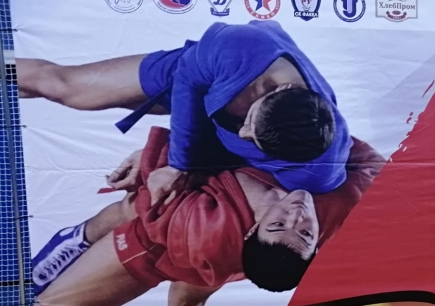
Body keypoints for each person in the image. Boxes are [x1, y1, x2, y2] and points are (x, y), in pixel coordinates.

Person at [35, 127, 384, 306]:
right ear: (316, 247)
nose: (297, 215)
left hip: (173, 242)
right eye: (304, 231)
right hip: (239, 255)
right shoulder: (344, 202)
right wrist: (315, 138)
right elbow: (370, 161)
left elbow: (152, 203)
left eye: (281, 224)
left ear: (254, 229)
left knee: (57, 304)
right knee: (188, 303)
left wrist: (155, 160)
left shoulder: (207, 233)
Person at [17, 19, 353, 196]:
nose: (244, 133)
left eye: (255, 141)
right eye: (251, 119)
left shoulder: (316, 170)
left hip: (215, 119)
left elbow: (239, 164)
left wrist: (158, 154)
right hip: (196, 78)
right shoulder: (239, 47)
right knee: (66, 87)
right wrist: (178, 164)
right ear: (284, 88)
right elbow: (188, 82)